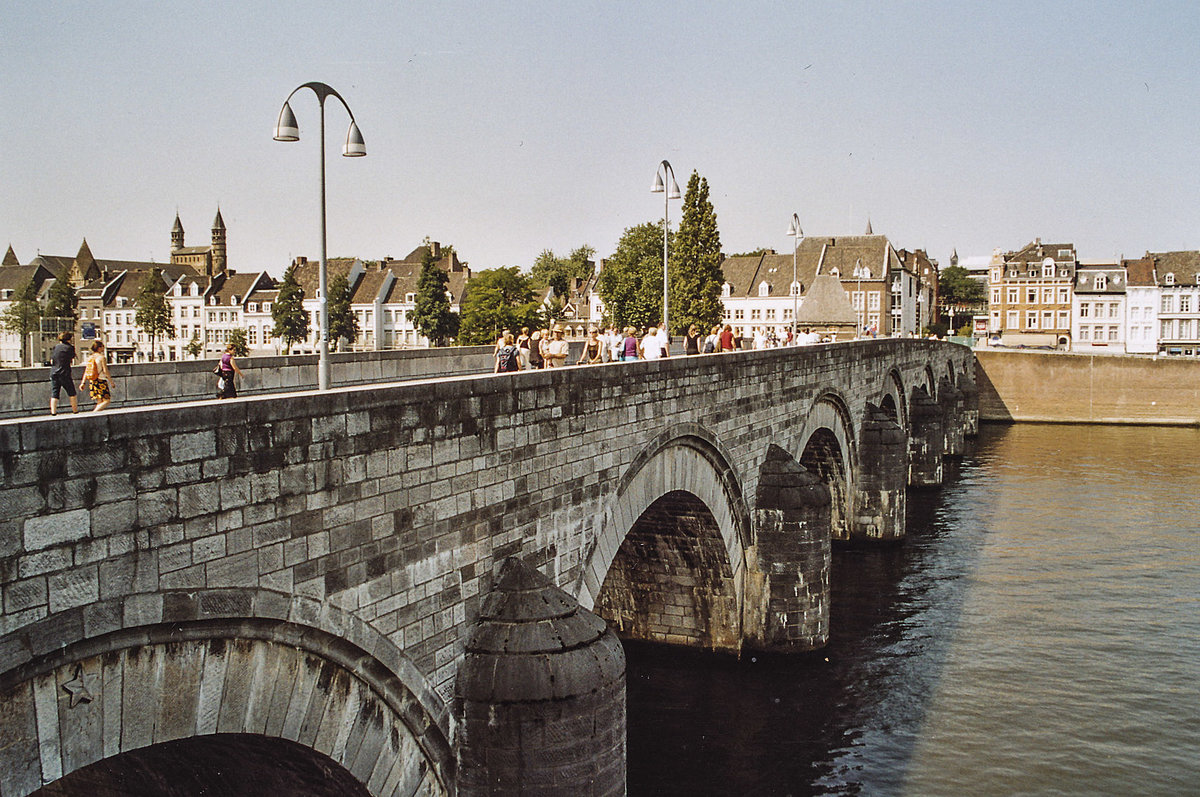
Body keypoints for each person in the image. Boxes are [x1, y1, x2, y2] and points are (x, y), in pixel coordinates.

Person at [49, 331, 79, 415]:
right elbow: (72, 357)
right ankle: (75, 410)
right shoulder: (70, 348)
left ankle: (53, 412)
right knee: (71, 392)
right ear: (69, 339)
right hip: (64, 373)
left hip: (54, 372)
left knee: (55, 392)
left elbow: (52, 360)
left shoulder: (56, 347)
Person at [79, 340, 112, 412]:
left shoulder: (90, 357)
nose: (103, 348)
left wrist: (83, 382)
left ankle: (97, 417)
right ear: (99, 348)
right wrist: (111, 382)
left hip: (92, 381)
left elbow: (86, 371)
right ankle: (94, 413)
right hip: (101, 380)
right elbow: (105, 371)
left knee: (99, 401)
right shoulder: (102, 357)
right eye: (103, 347)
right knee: (107, 400)